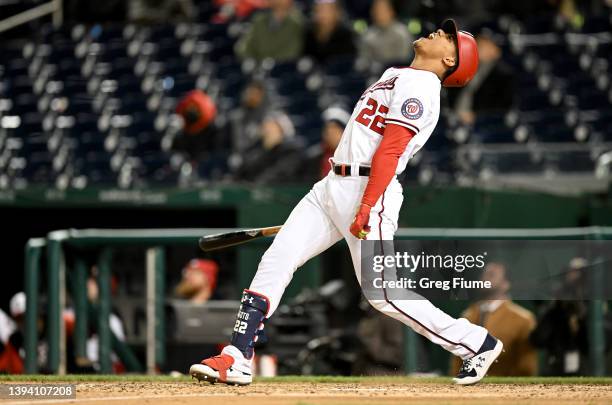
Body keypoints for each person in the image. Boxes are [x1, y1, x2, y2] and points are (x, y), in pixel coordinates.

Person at [190, 19, 503, 386]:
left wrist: (367, 205)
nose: (438, 33)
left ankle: (475, 342)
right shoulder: (397, 73)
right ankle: (237, 356)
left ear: (451, 59)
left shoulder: (424, 85)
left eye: (448, 37)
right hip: (332, 185)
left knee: (382, 294)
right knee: (277, 259)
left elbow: (392, 148)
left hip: (370, 188)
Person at [450, 263, 538, 376]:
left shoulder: (523, 319)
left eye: (492, 275)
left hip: (506, 390)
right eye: (484, 274)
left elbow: (526, 365)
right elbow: (457, 360)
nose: (485, 278)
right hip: (470, 389)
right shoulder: (468, 315)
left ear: (506, 284)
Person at [447, 27, 515, 125]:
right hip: (454, 117)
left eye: (485, 45)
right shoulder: (462, 65)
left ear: (496, 51)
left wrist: (476, 116)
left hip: (481, 124)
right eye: (478, 43)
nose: (478, 47)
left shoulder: (504, 75)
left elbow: (502, 108)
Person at [232, 111, 303, 184]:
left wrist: (255, 184)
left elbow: (279, 173)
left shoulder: (291, 152)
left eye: (272, 125)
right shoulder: (256, 149)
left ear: (281, 129)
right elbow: (242, 171)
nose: (267, 128)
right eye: (265, 124)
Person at [235, 0, 304, 62]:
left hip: (282, 69)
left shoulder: (296, 22)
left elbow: (292, 51)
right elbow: (244, 46)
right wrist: (251, 60)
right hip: (257, 66)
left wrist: (269, 63)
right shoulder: (259, 20)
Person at [297, 105, 351, 182]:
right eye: (327, 129)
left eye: (335, 129)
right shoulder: (313, 158)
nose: (330, 133)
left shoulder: (353, 157)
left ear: (345, 132)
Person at [360, 0, 413, 65]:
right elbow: (363, 60)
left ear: (391, 12)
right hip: (375, 73)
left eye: (383, 10)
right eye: (376, 11)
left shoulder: (402, 33)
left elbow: (405, 58)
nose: (379, 14)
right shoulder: (367, 35)